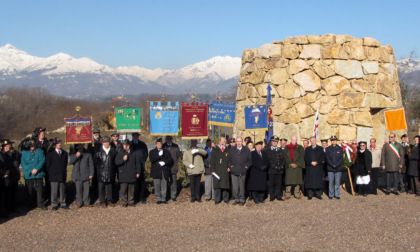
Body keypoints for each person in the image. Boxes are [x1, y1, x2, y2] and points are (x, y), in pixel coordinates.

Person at [20, 137, 46, 210]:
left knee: (40, 189)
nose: (33, 147)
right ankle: (29, 203)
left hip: (38, 173)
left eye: (33, 146)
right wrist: (31, 170)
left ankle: (40, 203)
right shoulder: (23, 153)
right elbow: (23, 163)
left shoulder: (39, 151)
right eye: (31, 146)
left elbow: (42, 160)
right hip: (29, 174)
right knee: (29, 189)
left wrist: (37, 169)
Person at [115, 139, 141, 207]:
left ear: (129, 145)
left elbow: (137, 163)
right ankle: (124, 201)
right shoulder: (120, 153)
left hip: (131, 173)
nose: (126, 146)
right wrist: (123, 159)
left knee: (131, 189)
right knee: (124, 189)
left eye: (127, 145)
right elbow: (116, 162)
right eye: (124, 145)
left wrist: (138, 172)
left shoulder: (134, 153)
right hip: (123, 174)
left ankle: (131, 201)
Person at [45, 138, 69, 210]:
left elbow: (65, 163)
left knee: (62, 190)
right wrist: (51, 173)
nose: (59, 144)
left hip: (62, 174)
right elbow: (48, 165)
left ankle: (63, 203)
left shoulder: (65, 153)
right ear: (55, 145)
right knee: (54, 191)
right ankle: (54, 204)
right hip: (54, 175)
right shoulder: (50, 154)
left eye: (60, 143)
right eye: (58, 143)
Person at [94, 136, 117, 207]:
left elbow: (114, 162)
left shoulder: (113, 151)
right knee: (101, 188)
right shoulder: (98, 152)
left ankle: (110, 201)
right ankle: (102, 201)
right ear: (102, 143)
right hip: (101, 172)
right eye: (105, 142)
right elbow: (95, 162)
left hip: (110, 171)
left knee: (110, 187)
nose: (106, 144)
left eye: (107, 142)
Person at [228, 137, 252, 206]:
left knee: (242, 186)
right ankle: (237, 199)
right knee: (235, 187)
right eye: (237, 141)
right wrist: (230, 166)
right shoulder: (232, 150)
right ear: (236, 142)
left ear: (242, 142)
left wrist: (246, 167)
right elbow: (229, 160)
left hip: (242, 171)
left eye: (240, 141)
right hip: (234, 171)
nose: (239, 143)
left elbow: (249, 160)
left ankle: (242, 199)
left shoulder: (246, 150)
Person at [150, 138, 173, 204]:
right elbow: (152, 159)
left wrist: (165, 162)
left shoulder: (166, 151)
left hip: (164, 170)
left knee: (164, 185)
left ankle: (163, 198)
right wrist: (158, 155)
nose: (159, 145)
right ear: (156, 144)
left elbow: (170, 160)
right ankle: (158, 198)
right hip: (156, 171)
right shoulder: (152, 152)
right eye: (158, 143)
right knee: (157, 185)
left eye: (160, 143)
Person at [70, 143, 94, 208]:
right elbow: (70, 161)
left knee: (86, 190)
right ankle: (79, 202)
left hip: (86, 173)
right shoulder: (74, 153)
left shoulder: (87, 153)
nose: (81, 146)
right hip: (77, 174)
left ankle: (87, 202)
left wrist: (91, 173)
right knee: (78, 190)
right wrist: (76, 156)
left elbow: (91, 164)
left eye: (82, 144)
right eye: (80, 145)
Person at [1, 139, 20, 212]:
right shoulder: (3, 154)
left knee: (14, 192)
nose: (7, 147)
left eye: (8, 145)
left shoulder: (14, 153)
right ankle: (7, 208)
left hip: (14, 175)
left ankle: (13, 207)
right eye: (5, 146)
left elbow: (17, 162)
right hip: (6, 176)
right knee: (7, 193)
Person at [210, 137, 230, 204]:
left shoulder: (228, 150)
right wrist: (212, 170)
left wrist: (229, 167)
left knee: (225, 185)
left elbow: (230, 160)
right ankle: (217, 199)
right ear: (219, 142)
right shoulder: (215, 150)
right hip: (217, 170)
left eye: (224, 142)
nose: (222, 143)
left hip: (225, 170)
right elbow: (212, 161)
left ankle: (225, 198)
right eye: (222, 142)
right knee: (217, 185)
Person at [131, 132, 148, 204]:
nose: (135, 136)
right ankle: (135, 198)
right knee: (133, 183)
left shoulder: (142, 144)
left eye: (137, 135)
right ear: (132, 136)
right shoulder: (130, 144)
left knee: (141, 182)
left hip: (141, 165)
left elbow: (146, 154)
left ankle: (142, 197)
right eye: (134, 135)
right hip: (132, 166)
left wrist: (143, 161)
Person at [267, 136, 285, 201]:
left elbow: (283, 159)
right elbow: (269, 160)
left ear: (277, 142)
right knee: (272, 184)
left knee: (278, 183)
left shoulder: (280, 150)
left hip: (279, 170)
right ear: (271, 142)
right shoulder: (268, 150)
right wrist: (275, 166)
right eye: (273, 141)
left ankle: (278, 195)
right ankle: (272, 196)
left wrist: (281, 166)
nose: (274, 143)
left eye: (276, 142)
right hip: (272, 170)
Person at [163, 135, 181, 201]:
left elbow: (178, 155)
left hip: (173, 166)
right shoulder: (163, 146)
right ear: (166, 139)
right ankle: (165, 196)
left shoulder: (175, 146)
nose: (169, 139)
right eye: (168, 138)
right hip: (165, 167)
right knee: (165, 182)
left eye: (170, 138)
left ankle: (173, 195)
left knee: (173, 182)